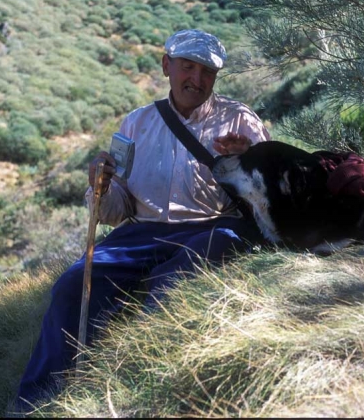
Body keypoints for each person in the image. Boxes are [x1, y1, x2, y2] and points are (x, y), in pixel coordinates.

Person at [14, 29, 271, 412]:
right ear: (166, 65)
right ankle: (34, 402)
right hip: (140, 232)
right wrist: (100, 187)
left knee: (175, 281)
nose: (196, 81)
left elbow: (269, 198)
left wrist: (249, 160)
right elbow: (117, 210)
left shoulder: (240, 121)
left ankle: (139, 382)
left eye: (207, 73)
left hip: (210, 227)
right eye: (187, 68)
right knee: (72, 285)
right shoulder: (137, 123)